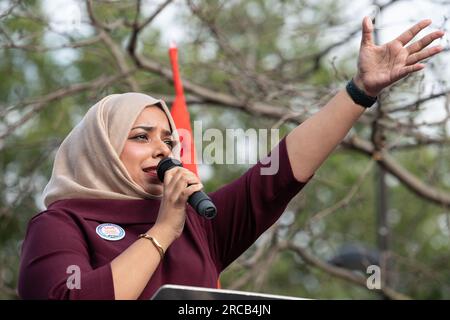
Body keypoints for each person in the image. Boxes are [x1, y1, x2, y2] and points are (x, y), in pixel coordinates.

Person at [18, 17, 444, 299]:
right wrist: (164, 229)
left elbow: (278, 174)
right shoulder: (61, 225)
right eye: (141, 136)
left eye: (169, 140)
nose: (163, 150)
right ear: (102, 149)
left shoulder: (199, 224)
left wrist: (360, 91)